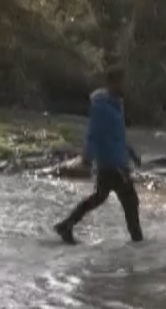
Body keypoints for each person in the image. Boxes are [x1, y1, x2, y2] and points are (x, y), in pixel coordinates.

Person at [55, 67, 142, 244]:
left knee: (100, 197)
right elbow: (93, 134)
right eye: (120, 82)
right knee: (130, 200)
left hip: (116, 161)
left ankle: (66, 225)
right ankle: (138, 242)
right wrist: (87, 158)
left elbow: (118, 136)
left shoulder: (116, 105)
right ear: (111, 83)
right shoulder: (101, 107)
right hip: (111, 163)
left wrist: (131, 153)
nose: (123, 85)